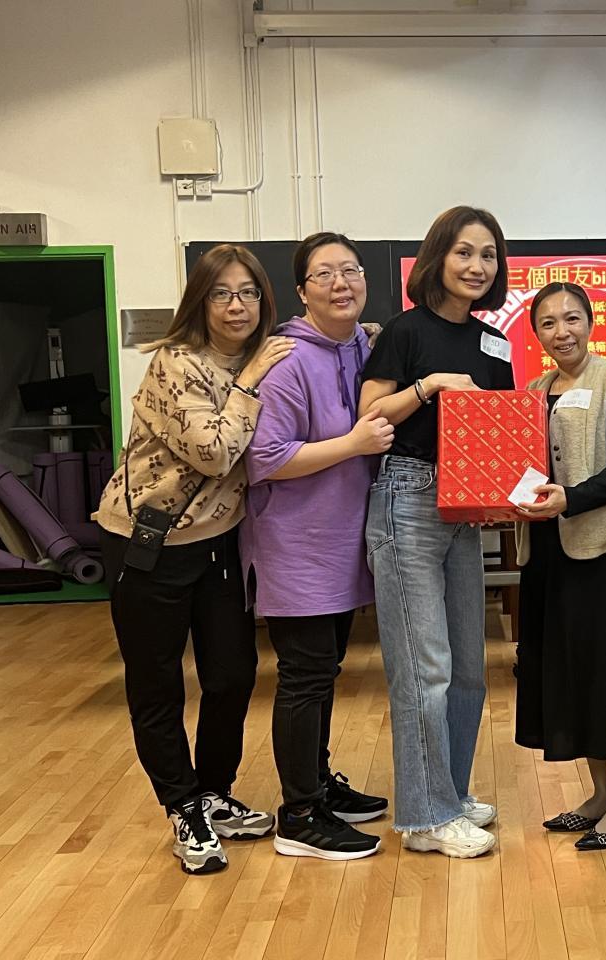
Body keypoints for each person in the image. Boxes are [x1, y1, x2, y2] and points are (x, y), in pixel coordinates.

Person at [96, 243, 293, 874]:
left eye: (249, 293)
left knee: (232, 675)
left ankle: (212, 793)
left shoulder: (270, 354)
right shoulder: (175, 361)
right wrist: (251, 380)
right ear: (199, 301)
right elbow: (213, 451)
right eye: (221, 293)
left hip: (220, 542)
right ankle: (183, 807)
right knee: (156, 684)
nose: (237, 306)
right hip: (146, 544)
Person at [360, 206, 514, 858]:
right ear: (437, 258)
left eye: (488, 255)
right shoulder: (404, 331)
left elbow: (503, 432)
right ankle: (426, 818)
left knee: (469, 671)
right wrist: (429, 386)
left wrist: (510, 489)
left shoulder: (495, 343)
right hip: (407, 498)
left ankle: (448, 791)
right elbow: (369, 415)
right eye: (464, 252)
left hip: (467, 507)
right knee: (425, 669)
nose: (477, 266)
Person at [242, 231, 394, 861]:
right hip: (295, 544)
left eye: (350, 270)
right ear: (302, 291)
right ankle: (299, 815)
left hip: (344, 542)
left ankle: (319, 783)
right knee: (304, 677)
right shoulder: (286, 361)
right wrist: (352, 444)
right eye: (324, 274)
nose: (341, 283)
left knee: (325, 671)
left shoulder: (367, 347)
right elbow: (265, 459)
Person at [513, 282, 606, 850]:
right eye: (548, 323)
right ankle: (600, 796)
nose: (562, 332)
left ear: (591, 322)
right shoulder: (535, 390)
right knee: (571, 674)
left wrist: (570, 499)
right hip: (545, 552)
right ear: (536, 333)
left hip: (597, 551)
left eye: (572, 318)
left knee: (605, 675)